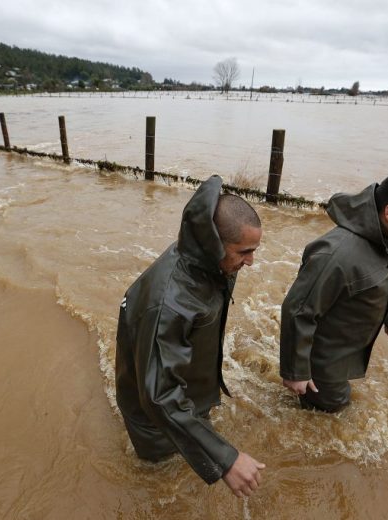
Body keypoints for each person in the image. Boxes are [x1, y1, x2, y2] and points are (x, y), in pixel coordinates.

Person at [115, 175, 266, 498]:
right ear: (214, 242)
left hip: (187, 391)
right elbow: (158, 397)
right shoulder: (168, 303)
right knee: (161, 485)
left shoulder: (215, 263)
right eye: (245, 251)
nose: (251, 262)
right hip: (154, 419)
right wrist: (226, 459)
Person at [279, 167, 388, 412]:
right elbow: (298, 309)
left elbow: (385, 279)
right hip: (324, 360)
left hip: (350, 346)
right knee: (333, 411)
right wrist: (295, 372)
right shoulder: (337, 255)